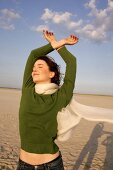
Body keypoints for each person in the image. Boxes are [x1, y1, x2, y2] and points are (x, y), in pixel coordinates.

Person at [16, 30, 78, 170]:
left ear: (51, 73)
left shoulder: (61, 96)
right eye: (33, 68)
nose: (34, 70)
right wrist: (54, 43)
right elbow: (33, 55)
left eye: (40, 66)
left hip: (52, 164)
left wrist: (60, 47)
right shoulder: (28, 89)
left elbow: (71, 62)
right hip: (23, 165)